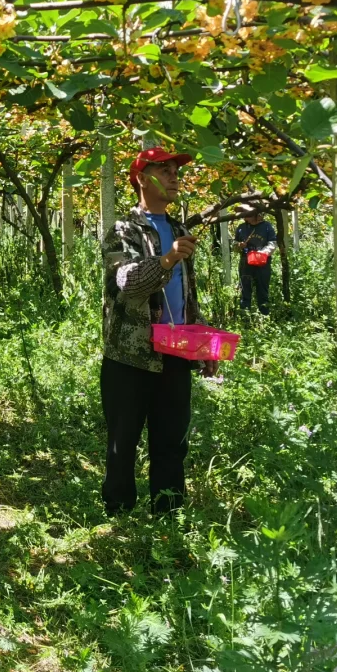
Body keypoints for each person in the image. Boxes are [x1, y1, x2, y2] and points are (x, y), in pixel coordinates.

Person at [100, 147, 217, 515]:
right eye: (162, 170)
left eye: (174, 170)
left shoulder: (181, 230)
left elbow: (184, 297)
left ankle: (169, 515)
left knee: (171, 441)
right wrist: (166, 259)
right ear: (140, 178)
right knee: (123, 440)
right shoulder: (123, 231)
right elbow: (128, 283)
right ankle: (117, 514)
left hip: (176, 352)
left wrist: (204, 347)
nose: (172, 176)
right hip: (130, 355)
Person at [233, 205, 278, 315]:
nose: (245, 216)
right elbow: (234, 244)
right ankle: (245, 316)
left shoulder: (266, 226)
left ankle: (264, 314)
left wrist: (261, 254)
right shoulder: (241, 228)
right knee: (245, 288)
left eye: (247, 213)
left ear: (255, 214)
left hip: (263, 263)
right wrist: (239, 245)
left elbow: (272, 243)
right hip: (245, 262)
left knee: (262, 290)